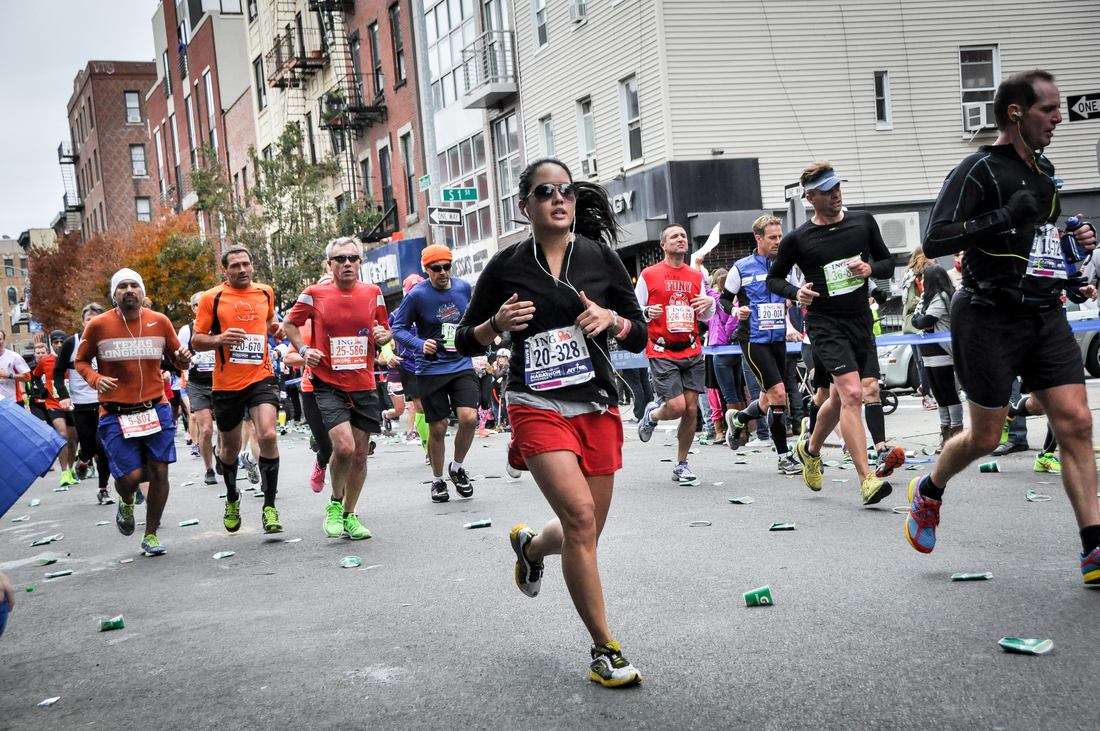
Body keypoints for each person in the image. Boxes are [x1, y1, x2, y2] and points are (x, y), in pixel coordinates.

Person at [455, 158, 647, 688]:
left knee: (584, 532)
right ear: (527, 206)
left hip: (596, 405)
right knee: (582, 521)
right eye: (546, 192)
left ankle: (531, 547)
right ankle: (604, 650)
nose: (559, 199)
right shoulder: (506, 266)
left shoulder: (600, 258)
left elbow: (640, 335)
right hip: (535, 402)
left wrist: (613, 319)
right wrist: (494, 325)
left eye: (565, 191)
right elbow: (462, 339)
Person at [907, 69, 1100, 586]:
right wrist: (1002, 217)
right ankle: (930, 490)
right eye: (1049, 110)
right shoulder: (976, 170)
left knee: (1076, 422)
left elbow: (1040, 243)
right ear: (1016, 113)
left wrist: (1071, 255)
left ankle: (1094, 548)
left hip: (1041, 312)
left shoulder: (1046, 172)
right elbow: (938, 237)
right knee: (986, 437)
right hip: (987, 316)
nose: (1060, 118)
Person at [767, 161, 900, 506]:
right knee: (854, 393)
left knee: (840, 398)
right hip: (825, 323)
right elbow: (774, 278)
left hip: (859, 321)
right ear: (810, 198)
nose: (836, 194)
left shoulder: (863, 222)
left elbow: (889, 262)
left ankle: (810, 449)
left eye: (837, 187)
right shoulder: (798, 239)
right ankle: (866, 479)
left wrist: (871, 268)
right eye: (827, 191)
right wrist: (796, 293)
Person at [75, 268, 191, 556]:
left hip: (155, 408)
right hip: (115, 412)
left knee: (159, 472)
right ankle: (126, 501)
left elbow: (179, 361)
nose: (129, 290)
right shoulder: (98, 326)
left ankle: (150, 534)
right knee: (130, 477)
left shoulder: (160, 322)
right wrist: (95, 379)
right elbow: (80, 362)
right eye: (122, 286)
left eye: (134, 285)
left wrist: (183, 359)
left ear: (142, 292)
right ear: (114, 294)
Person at [285, 236, 391, 540]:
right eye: (340, 259)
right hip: (327, 383)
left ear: (360, 263)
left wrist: (384, 338)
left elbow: (383, 329)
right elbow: (290, 325)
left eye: (353, 258)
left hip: (364, 383)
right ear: (329, 264)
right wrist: (305, 351)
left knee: (360, 455)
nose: (347, 263)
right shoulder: (314, 293)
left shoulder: (373, 293)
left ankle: (349, 514)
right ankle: (334, 503)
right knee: (343, 447)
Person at [192, 247, 285, 535]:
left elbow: (269, 322)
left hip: (261, 376)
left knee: (268, 434)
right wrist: (219, 339)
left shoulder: (265, 292)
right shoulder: (212, 298)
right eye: (235, 266)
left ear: (252, 265)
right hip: (227, 384)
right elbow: (197, 340)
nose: (242, 269)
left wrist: (276, 329)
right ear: (225, 271)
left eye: (246, 264)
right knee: (229, 449)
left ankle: (269, 507)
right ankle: (232, 496)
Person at [391, 244, 480, 503]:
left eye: (446, 267)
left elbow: (472, 320)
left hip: (461, 363)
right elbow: (398, 328)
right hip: (430, 368)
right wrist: (420, 344)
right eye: (436, 268)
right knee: (438, 427)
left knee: (469, 418)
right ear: (426, 269)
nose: (442, 272)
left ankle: (457, 467)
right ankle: (438, 480)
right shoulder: (417, 295)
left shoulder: (463, 287)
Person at [721, 215, 803, 474]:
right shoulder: (741, 267)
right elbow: (724, 301)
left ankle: (739, 418)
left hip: (778, 339)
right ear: (759, 238)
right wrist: (736, 312)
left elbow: (794, 295)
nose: (778, 241)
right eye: (773, 237)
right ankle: (783, 456)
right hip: (753, 340)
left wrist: (794, 304)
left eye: (780, 236)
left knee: (768, 400)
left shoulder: (786, 266)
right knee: (779, 395)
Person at [635, 224, 716, 482]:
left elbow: (704, 313)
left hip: (691, 348)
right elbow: (634, 309)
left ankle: (682, 463)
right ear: (663, 244)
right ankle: (653, 414)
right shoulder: (649, 274)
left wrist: (709, 303)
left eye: (683, 235)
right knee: (677, 406)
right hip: (661, 349)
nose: (680, 239)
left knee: (691, 410)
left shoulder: (695, 276)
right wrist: (647, 312)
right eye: (674, 236)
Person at [54, 302, 113, 503]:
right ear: (82, 322)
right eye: (89, 319)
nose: (93, 323)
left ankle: (103, 489)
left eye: (97, 319)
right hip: (81, 406)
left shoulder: (107, 341)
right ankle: (84, 459)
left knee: (103, 447)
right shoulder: (72, 343)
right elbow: (57, 372)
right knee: (88, 445)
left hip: (105, 403)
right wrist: (63, 395)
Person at [910, 264, 963, 451]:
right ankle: (946, 433)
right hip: (929, 354)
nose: (922, 281)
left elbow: (925, 321)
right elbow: (914, 319)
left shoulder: (941, 297)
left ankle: (956, 433)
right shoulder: (927, 298)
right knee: (939, 396)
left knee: (948, 393)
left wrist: (919, 320)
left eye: (924, 278)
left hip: (943, 354)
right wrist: (919, 318)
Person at [178, 293, 217, 485]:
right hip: (198, 384)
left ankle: (221, 453)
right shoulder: (187, 330)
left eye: (205, 304)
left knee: (227, 429)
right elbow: (178, 356)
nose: (201, 307)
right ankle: (209, 468)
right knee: (207, 429)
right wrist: (190, 360)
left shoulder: (219, 325)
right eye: (197, 305)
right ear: (193, 308)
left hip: (222, 383)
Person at [33, 332, 78, 486]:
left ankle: (71, 469)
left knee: (73, 439)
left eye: (61, 342)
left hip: (73, 403)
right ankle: (64, 473)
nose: (59, 345)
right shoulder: (46, 361)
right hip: (53, 403)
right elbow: (36, 376)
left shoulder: (74, 358)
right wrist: (41, 390)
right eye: (55, 342)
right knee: (62, 434)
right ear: (51, 344)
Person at [0, 330, 30, 404]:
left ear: (3, 340)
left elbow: (27, 377)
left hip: (12, 401)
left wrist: (8, 375)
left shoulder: (14, 357)